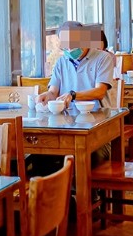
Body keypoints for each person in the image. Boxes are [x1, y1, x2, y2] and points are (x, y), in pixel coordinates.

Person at [37, 22, 116, 164]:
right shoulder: (61, 62)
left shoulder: (103, 58)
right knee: (42, 154)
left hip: (98, 127)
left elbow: (100, 92)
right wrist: (45, 97)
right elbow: (53, 92)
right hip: (67, 125)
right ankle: (58, 185)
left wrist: (73, 95)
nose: (68, 48)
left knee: (86, 155)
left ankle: (80, 186)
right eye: (65, 45)